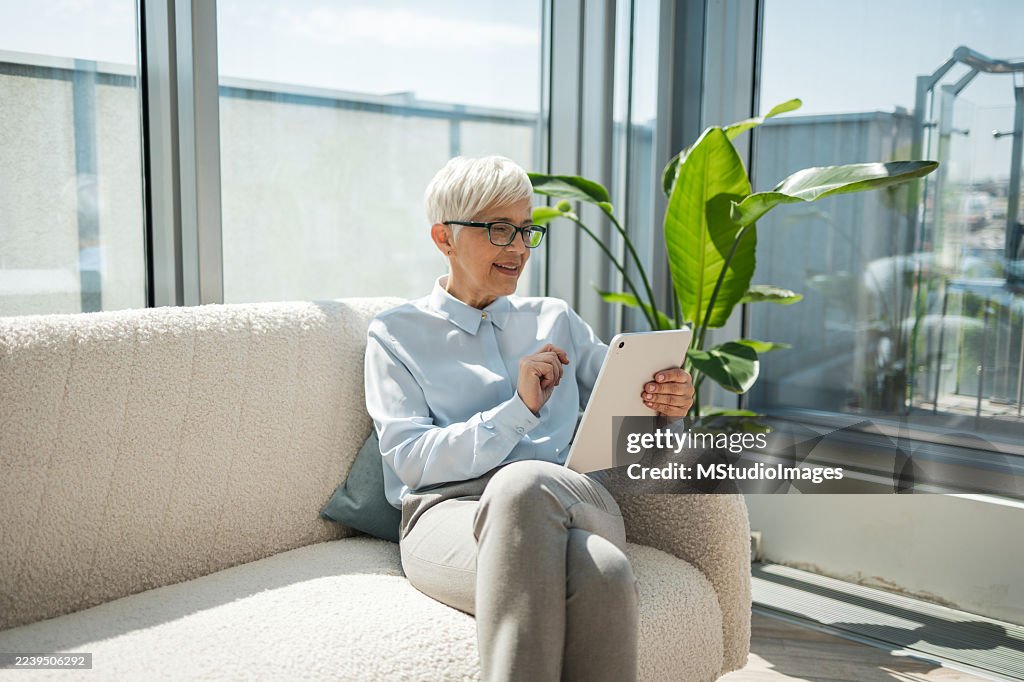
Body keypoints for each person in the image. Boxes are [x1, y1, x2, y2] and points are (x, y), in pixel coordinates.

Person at [364, 155, 694, 682]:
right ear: (444, 238)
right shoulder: (395, 334)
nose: (518, 248)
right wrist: (518, 411)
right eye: (499, 230)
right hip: (446, 516)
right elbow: (409, 460)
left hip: (574, 500)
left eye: (525, 230)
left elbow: (629, 414)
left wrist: (667, 406)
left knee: (525, 482)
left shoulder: (555, 318)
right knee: (604, 573)